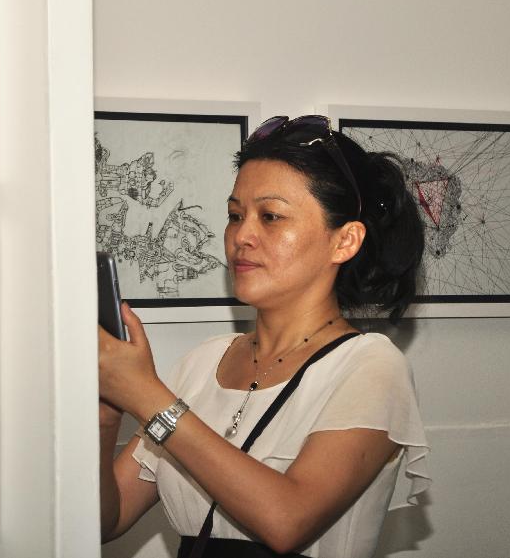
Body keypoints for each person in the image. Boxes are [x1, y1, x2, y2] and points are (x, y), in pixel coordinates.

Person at [98, 115, 430, 558]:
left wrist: (146, 396)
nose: (242, 236)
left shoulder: (370, 366)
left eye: (270, 216)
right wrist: (106, 415)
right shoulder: (201, 363)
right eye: (236, 215)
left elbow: (287, 520)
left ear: (344, 241)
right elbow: (109, 518)